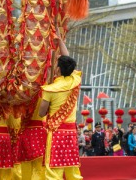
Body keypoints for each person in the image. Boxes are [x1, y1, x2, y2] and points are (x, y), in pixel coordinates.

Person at [38, 31, 83, 180]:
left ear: (57, 69)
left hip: (56, 132)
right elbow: (67, 58)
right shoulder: (75, 80)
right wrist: (60, 42)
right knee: (72, 169)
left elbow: (41, 113)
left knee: (53, 170)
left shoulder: (50, 89)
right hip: (70, 132)